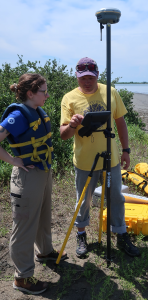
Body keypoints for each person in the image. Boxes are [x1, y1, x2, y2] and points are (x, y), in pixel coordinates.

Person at [60, 57, 140, 258]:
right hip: (84, 161)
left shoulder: (110, 92)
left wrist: (126, 150)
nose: (87, 82)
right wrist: (72, 124)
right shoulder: (69, 98)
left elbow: (120, 122)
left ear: (97, 76)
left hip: (110, 158)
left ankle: (120, 234)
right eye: (82, 78)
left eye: (91, 77)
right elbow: (63, 135)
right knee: (84, 199)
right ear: (77, 77)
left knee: (116, 197)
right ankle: (81, 234)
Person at [0, 73, 67, 295]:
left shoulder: (37, 111)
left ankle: (45, 252)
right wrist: (12, 160)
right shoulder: (19, 115)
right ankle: (22, 278)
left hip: (42, 172)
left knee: (43, 216)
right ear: (30, 93)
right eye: (43, 91)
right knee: (25, 225)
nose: (47, 95)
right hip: (26, 177)